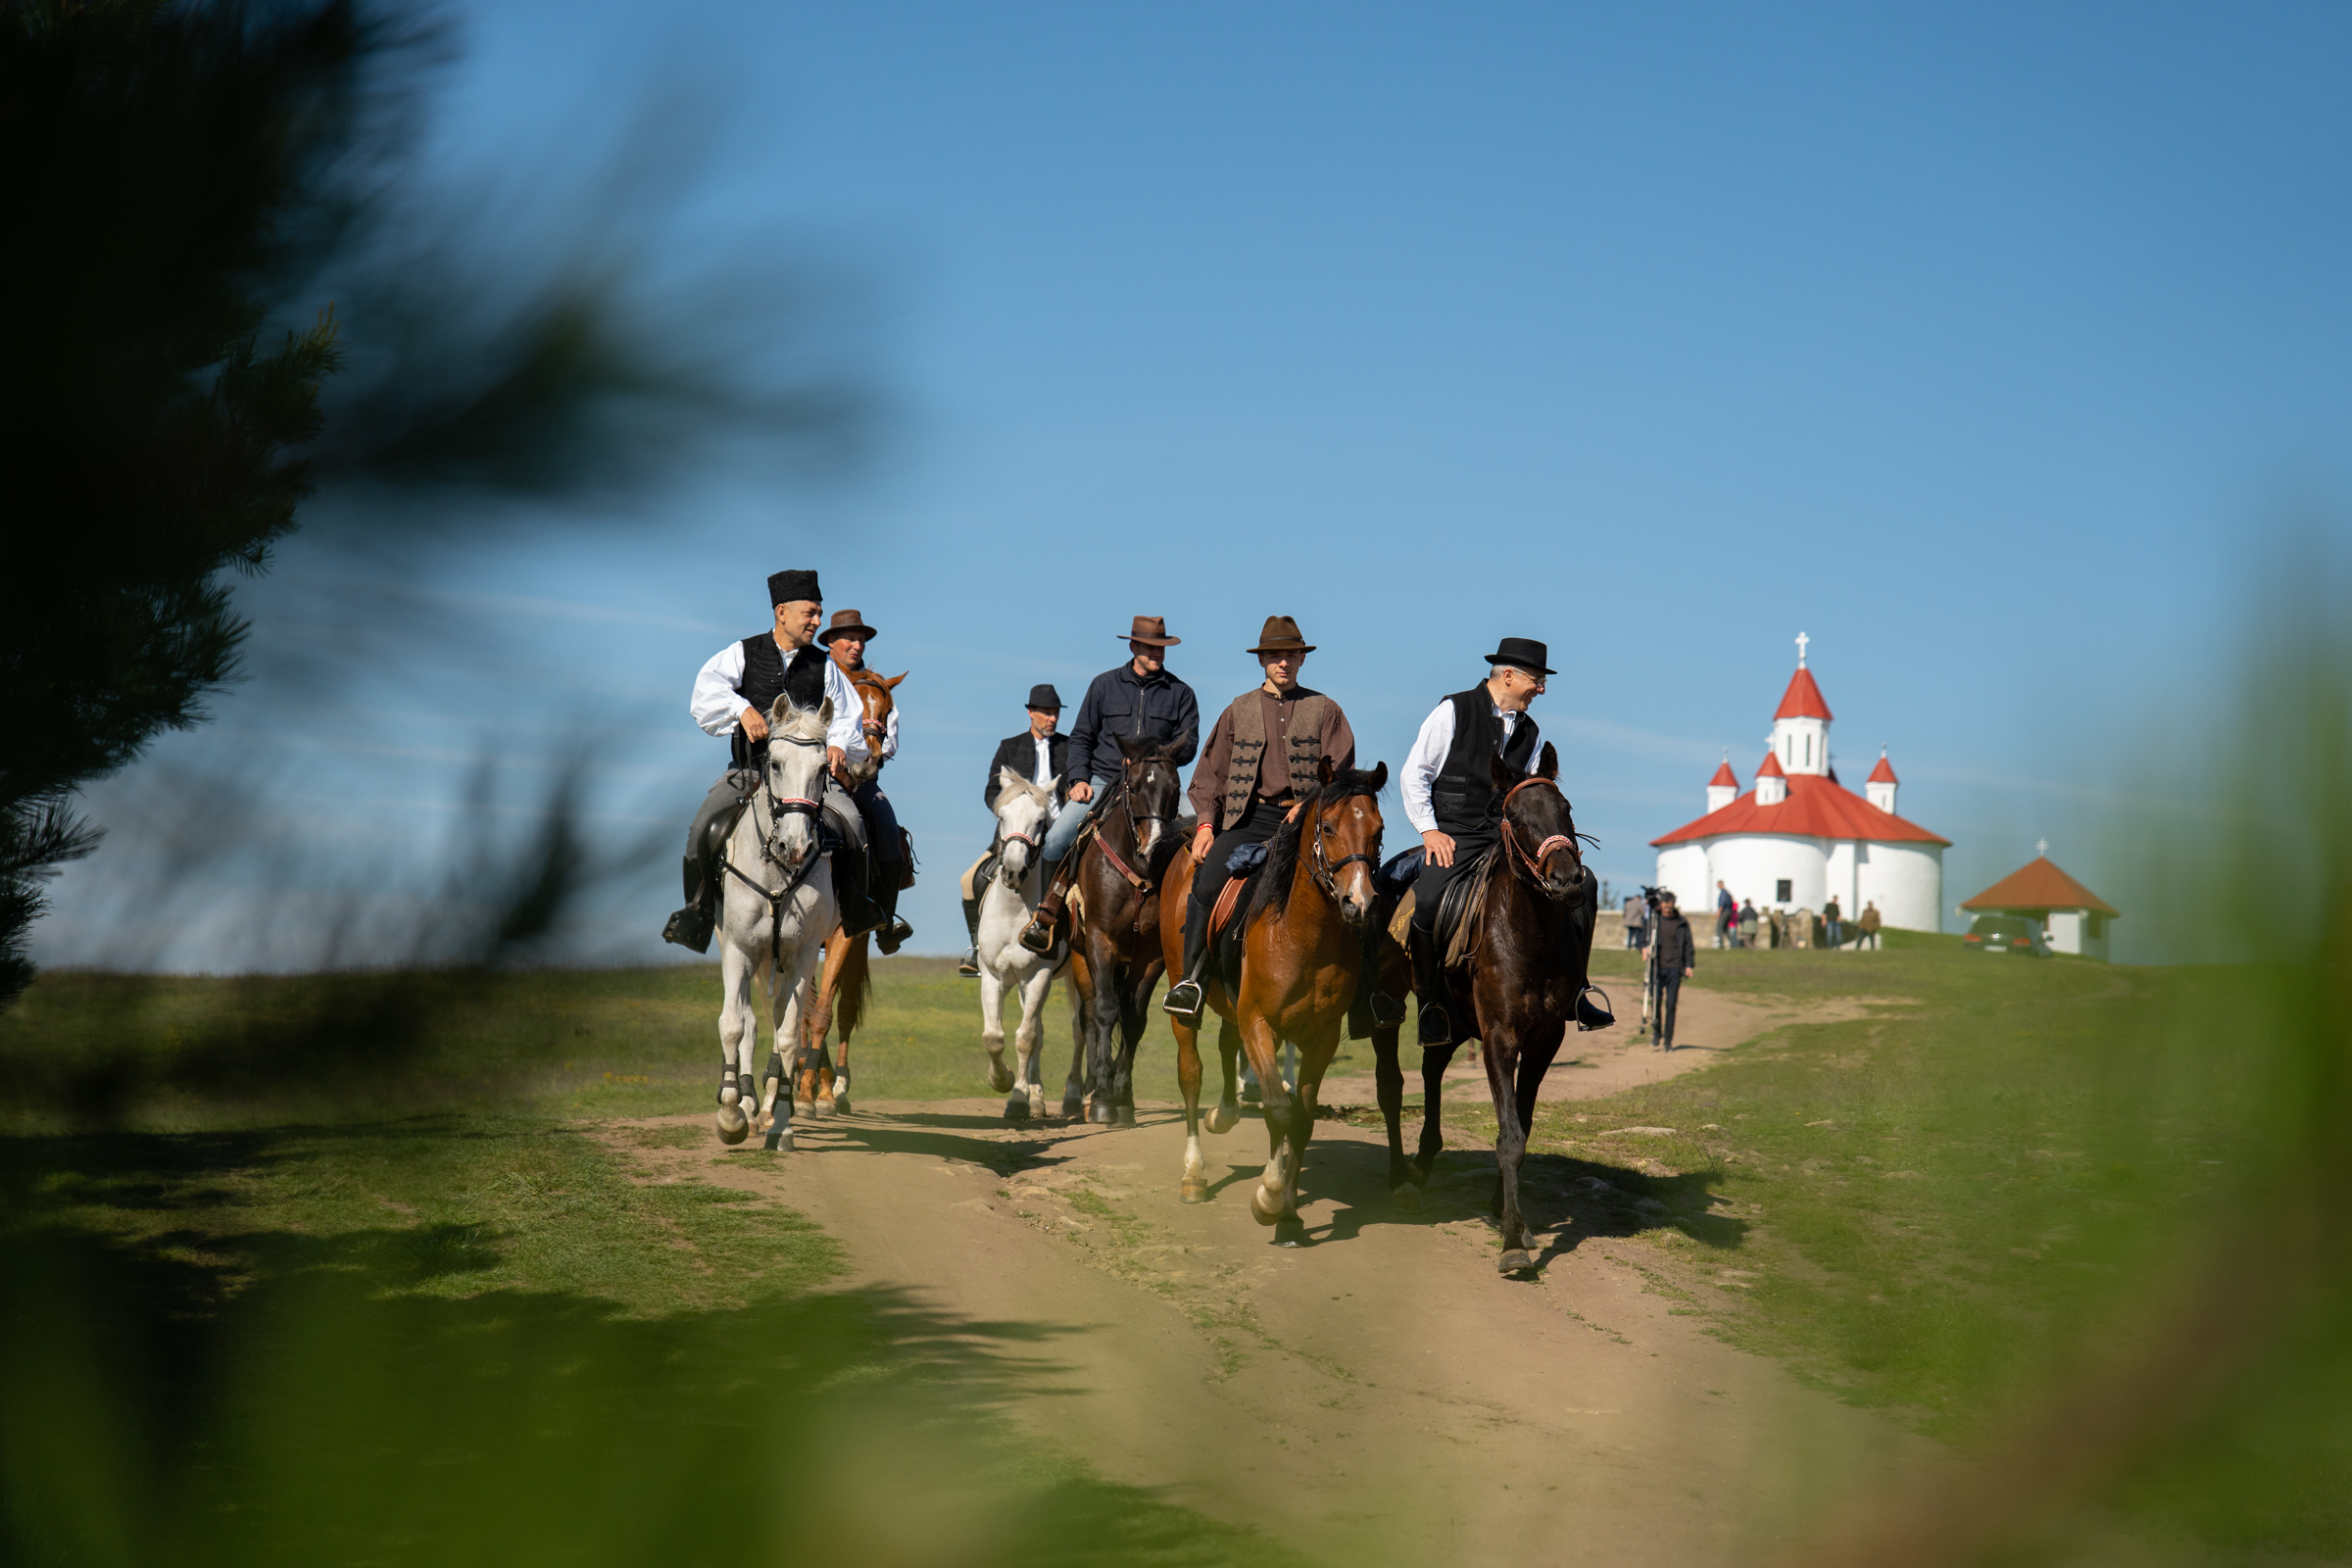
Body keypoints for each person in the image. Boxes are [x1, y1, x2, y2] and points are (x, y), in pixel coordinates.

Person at [1164, 616, 1384, 1023]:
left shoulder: (1326, 710)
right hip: (1249, 818)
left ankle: (1368, 994)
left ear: (1302, 659)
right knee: (1207, 881)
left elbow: (1341, 777)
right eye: (1275, 656)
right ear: (1262, 660)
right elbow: (1210, 772)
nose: (1283, 663)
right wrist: (1208, 824)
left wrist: (1311, 805)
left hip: (1310, 823)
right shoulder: (1238, 710)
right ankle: (1191, 981)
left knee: (1360, 889)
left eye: (1291, 655)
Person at [662, 568, 879, 954]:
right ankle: (696, 914)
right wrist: (740, 708)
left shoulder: (825, 666)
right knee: (701, 830)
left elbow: (848, 716)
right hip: (748, 773)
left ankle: (854, 907)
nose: (816, 621)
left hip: (810, 780)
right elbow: (705, 693)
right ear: (782, 612)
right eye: (810, 613)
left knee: (854, 825)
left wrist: (840, 745)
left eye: (818, 613)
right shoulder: (742, 652)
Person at [1398, 635, 1578, 1048]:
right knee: (1426, 904)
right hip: (1451, 838)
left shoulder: (1532, 731)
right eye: (1537, 679)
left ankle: (1576, 993)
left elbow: (1531, 797)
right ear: (1510, 675)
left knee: (1576, 890)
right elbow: (1415, 774)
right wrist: (1429, 830)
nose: (1542, 688)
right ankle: (1430, 1006)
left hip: (1506, 843)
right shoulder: (1453, 711)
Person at [1019, 616, 1200, 954]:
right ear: (1133, 647)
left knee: (1200, 838)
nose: (1156, 653)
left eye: (1160, 648)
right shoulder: (1103, 685)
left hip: (1156, 787)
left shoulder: (1181, 693)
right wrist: (1078, 779)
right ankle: (1046, 919)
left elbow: (1188, 745)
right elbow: (1082, 737)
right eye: (1149, 647)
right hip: (1104, 779)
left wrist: (1150, 759)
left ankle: (1194, 930)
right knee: (1057, 841)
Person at [818, 608, 914, 953]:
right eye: (850, 638)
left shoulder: (877, 685)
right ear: (831, 642)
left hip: (863, 780)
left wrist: (870, 751)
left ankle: (885, 922)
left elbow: (891, 742)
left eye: (861, 639)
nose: (856, 645)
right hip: (816, 775)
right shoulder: (816, 673)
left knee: (888, 828)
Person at [958, 684, 1068, 977]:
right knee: (968, 881)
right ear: (1030, 713)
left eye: (1055, 713)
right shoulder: (1010, 746)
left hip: (1060, 838)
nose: (1052, 719)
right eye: (1046, 713)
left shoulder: (1069, 747)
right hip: (1014, 838)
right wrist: (1010, 810)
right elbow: (991, 792)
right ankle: (977, 948)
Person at [1649, 890, 1695, 1049]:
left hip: (1675, 969)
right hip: (1657, 968)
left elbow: (1689, 945)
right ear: (1661, 905)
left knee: (1670, 1005)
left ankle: (1668, 1040)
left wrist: (1689, 965)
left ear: (1673, 906)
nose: (1667, 910)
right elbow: (1643, 938)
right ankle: (1657, 1033)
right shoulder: (1654, 921)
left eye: (1670, 908)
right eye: (1665, 907)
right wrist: (1643, 948)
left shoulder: (1681, 922)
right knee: (1655, 1003)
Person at [1716, 880, 1738, 950]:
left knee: (1719, 928)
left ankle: (1721, 945)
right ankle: (1733, 944)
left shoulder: (1723, 893)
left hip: (1725, 912)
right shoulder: (1727, 892)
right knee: (1726, 929)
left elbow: (1722, 903)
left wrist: (1719, 912)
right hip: (1729, 912)